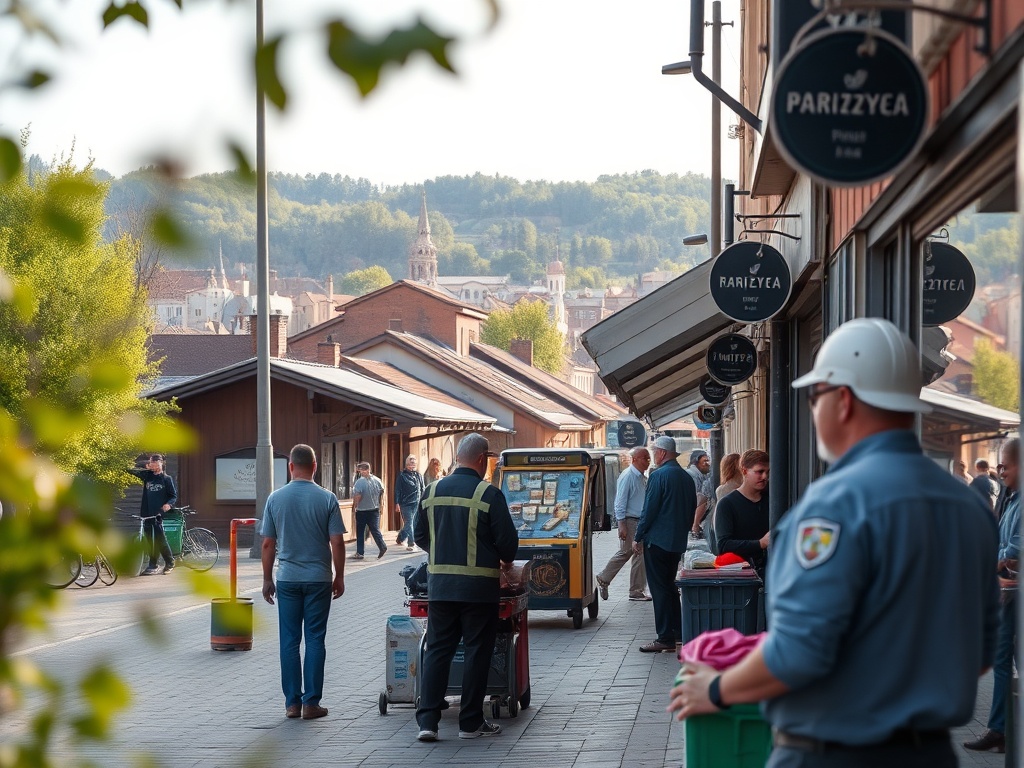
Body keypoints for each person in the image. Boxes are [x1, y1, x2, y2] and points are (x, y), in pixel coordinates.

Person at [668, 318, 998, 768]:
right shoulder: (968, 509)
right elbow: (979, 657)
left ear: (842, 400)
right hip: (931, 754)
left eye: (815, 396)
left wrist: (714, 689)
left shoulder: (834, 506)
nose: (813, 409)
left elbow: (801, 651)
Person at [414, 433, 519, 742]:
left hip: (441, 587)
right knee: (476, 651)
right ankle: (470, 723)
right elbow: (508, 548)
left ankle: (428, 723)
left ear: (458, 457)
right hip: (478, 590)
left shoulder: (431, 490)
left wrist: (442, 551)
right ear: (481, 459)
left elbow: (419, 534)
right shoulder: (489, 494)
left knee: (437, 651)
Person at [260, 444, 346, 721]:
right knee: (315, 639)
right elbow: (337, 541)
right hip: (319, 579)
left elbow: (267, 544)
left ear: (290, 467)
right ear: (315, 466)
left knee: (289, 641)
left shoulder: (275, 498)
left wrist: (266, 578)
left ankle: (292, 704)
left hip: (287, 579)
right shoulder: (327, 498)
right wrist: (340, 575)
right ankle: (312, 703)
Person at [964, 438, 1020, 754]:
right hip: (1008, 590)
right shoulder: (1011, 499)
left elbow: (1013, 550)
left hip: (1011, 591)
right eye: (999, 465)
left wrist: (997, 559)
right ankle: (1003, 729)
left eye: (1007, 465)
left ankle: (1000, 729)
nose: (1002, 471)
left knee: (1000, 657)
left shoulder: (1019, 502)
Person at [633, 436, 697, 653]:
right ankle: (678, 632)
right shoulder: (686, 477)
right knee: (670, 587)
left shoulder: (658, 475)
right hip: (676, 542)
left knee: (660, 589)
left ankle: (665, 637)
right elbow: (692, 509)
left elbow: (648, 510)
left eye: (654, 452)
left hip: (658, 541)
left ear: (661, 453)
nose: (653, 457)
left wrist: (638, 535)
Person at [596, 447, 652, 602]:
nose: (647, 462)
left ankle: (635, 590)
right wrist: (621, 524)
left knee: (638, 554)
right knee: (627, 551)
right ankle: (604, 577)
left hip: (638, 521)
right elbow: (620, 502)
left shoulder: (641, 476)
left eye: (648, 458)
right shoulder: (628, 476)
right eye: (644, 458)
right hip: (630, 520)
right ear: (634, 459)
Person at [713, 450, 770, 579]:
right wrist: (760, 543)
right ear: (744, 471)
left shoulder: (772, 499)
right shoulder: (727, 504)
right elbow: (723, 545)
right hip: (740, 578)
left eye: (767, 472)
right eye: (759, 472)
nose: (765, 476)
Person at [128, 454, 178, 575]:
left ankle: (170, 563)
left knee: (160, 539)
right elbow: (131, 470)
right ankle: (153, 564)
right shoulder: (147, 476)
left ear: (162, 464)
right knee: (150, 540)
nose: (154, 467)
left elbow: (173, 496)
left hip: (158, 514)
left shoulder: (166, 479)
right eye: (152, 464)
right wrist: (145, 466)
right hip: (146, 513)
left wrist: (168, 504)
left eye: (156, 464)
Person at [351, 461, 387, 560]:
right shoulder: (377, 480)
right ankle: (382, 546)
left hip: (362, 510)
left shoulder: (360, 482)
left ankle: (360, 552)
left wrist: (354, 506)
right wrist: (381, 506)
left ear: (366, 470)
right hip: (374, 509)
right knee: (375, 529)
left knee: (360, 531)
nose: (360, 473)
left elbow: (357, 496)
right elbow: (382, 494)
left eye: (361, 470)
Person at [394, 455, 425, 551]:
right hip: (405, 503)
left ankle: (401, 537)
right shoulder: (402, 475)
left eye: (414, 464)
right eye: (410, 464)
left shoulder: (418, 475)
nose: (412, 466)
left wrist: (423, 500)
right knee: (409, 522)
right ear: (406, 464)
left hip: (417, 502)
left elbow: (423, 488)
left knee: (411, 522)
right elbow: (397, 490)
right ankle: (411, 543)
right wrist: (397, 503)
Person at [685, 449, 714, 538]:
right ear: (696, 462)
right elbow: (698, 500)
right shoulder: (691, 476)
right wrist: (695, 524)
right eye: (704, 461)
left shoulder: (701, 476)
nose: (707, 464)